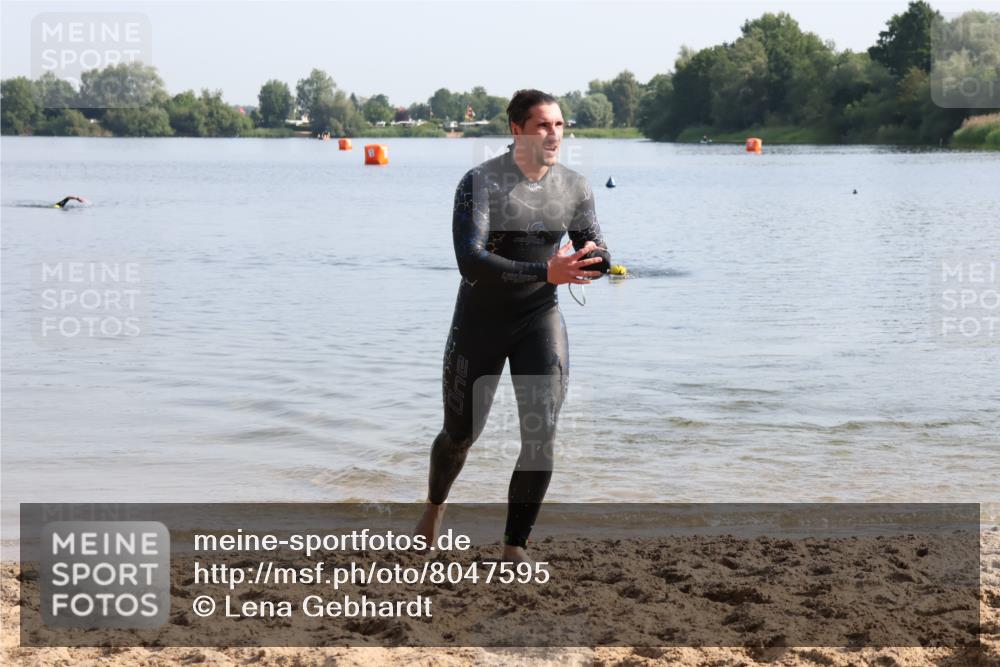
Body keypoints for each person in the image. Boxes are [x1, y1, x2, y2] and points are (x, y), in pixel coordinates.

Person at [415, 89, 611, 563]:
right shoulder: (481, 183)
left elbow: (594, 246)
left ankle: (513, 546)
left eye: (560, 125)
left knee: (541, 434)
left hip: (538, 318)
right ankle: (434, 509)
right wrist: (547, 271)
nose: (554, 134)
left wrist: (598, 261)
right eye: (543, 125)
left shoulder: (573, 187)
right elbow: (471, 261)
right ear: (517, 129)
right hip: (480, 320)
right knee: (460, 435)